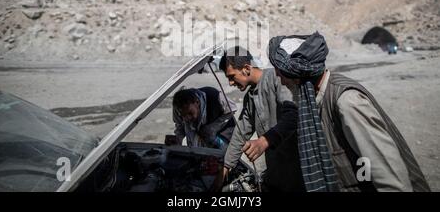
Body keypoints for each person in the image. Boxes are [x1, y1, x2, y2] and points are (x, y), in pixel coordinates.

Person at [266, 31, 431, 192]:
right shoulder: (314, 102)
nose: (280, 80)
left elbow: (393, 183)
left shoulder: (346, 102)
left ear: (297, 74)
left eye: (281, 74)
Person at [215, 46, 304, 191]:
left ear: (246, 68)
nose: (231, 83)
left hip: (299, 166)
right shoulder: (250, 99)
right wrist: (225, 167)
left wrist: (264, 140)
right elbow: (240, 134)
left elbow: (293, 115)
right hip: (277, 171)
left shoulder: (277, 78)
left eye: (231, 76)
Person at [167, 86, 237, 150]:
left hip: (222, 135)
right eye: (183, 115)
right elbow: (180, 125)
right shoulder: (178, 108)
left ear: (197, 102)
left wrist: (213, 127)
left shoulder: (214, 96)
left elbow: (232, 109)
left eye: (190, 113)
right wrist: (178, 139)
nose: (187, 118)